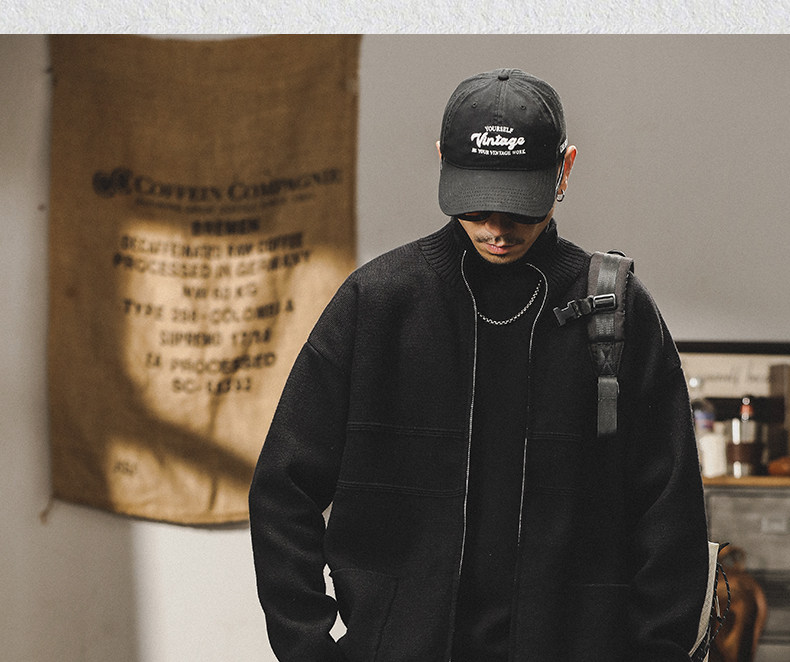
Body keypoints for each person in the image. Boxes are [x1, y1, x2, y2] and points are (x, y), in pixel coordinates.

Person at [249, 68, 710, 662]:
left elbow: (671, 513)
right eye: (476, 203)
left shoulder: (619, 311)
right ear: (442, 161)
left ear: (565, 169)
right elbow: (282, 490)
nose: (496, 227)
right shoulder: (377, 303)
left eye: (519, 205)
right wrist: (311, 649)